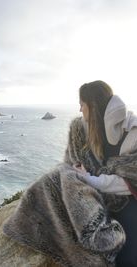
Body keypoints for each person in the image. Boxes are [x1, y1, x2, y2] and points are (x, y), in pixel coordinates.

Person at [74, 80, 137, 267]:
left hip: (131, 204)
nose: (80, 110)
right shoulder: (97, 131)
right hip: (110, 202)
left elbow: (127, 182)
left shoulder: (132, 132)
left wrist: (89, 179)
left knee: (128, 257)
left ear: (92, 106)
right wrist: (84, 170)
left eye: (82, 104)